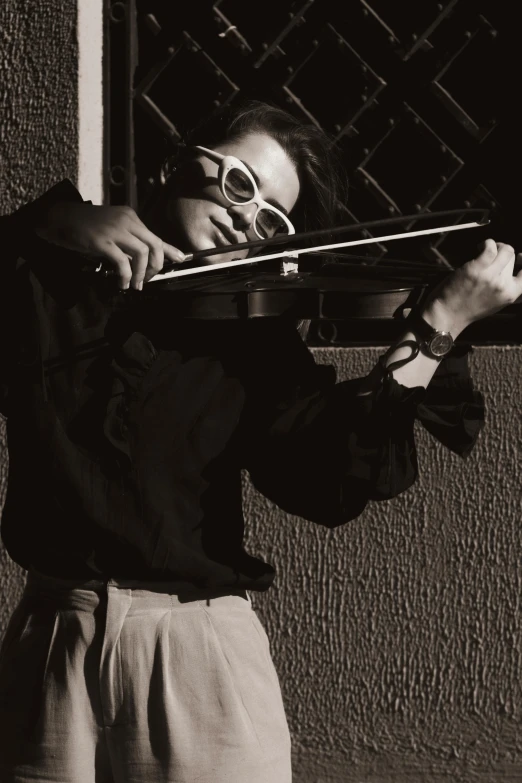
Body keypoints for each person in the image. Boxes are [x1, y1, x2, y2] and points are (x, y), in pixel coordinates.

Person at [0, 100, 520, 783]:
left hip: (199, 659)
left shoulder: (255, 340)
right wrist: (47, 222)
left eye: (271, 220)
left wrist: (436, 329)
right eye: (240, 184)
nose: (246, 218)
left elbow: (327, 476)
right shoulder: (42, 284)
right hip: (53, 643)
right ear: (179, 163)